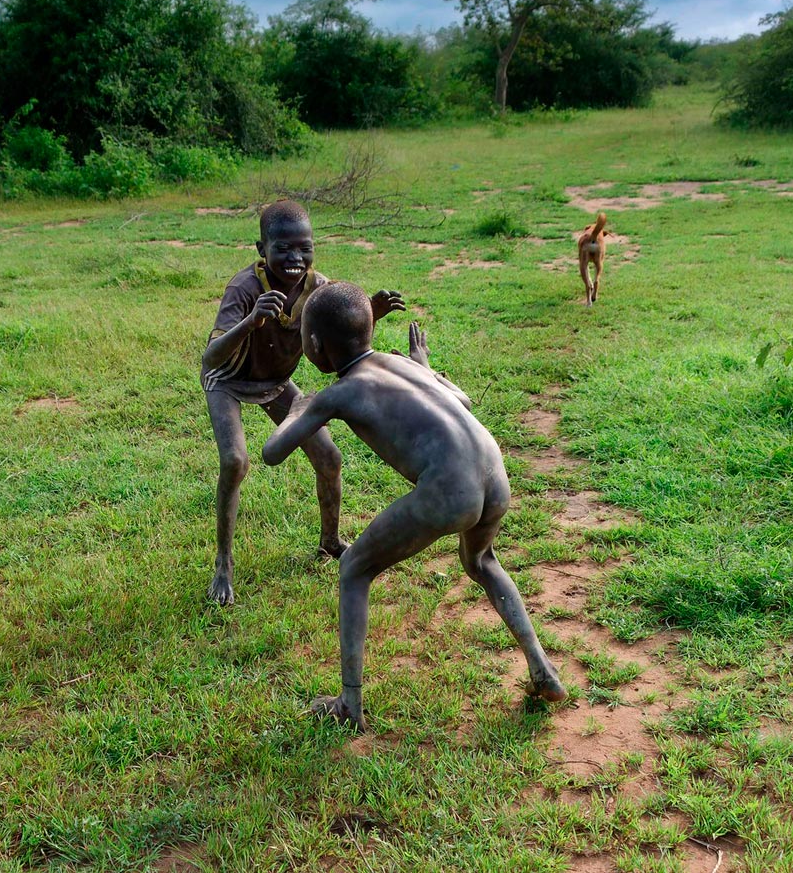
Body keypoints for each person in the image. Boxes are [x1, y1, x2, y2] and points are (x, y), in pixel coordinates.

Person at [261, 282, 567, 730]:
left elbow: (272, 452)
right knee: (481, 561)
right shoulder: (403, 363)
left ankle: (349, 703)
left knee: (353, 569)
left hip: (450, 487)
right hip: (494, 473)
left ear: (313, 346)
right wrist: (429, 369)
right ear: (368, 329)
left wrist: (300, 404)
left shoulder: (335, 394)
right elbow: (461, 400)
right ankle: (543, 669)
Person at [201, 199, 403, 604]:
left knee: (328, 456)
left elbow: (340, 342)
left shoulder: (317, 287)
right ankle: (223, 564)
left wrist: (372, 313)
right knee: (235, 461)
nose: (295, 258)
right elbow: (210, 358)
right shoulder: (244, 289)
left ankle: (330, 540)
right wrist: (250, 321)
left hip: (276, 381)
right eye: (283, 248)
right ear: (262, 249)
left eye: (304, 247)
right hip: (228, 380)